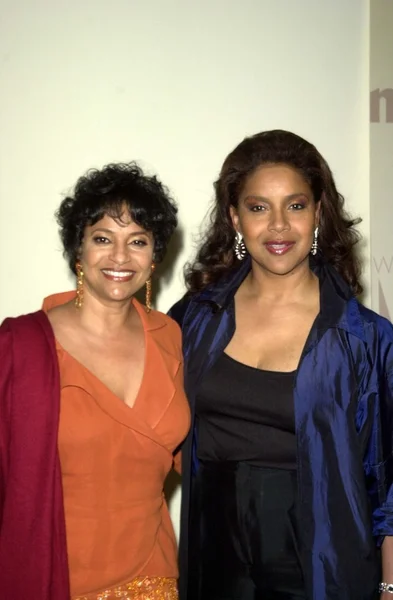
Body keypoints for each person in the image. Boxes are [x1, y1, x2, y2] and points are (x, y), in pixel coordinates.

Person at [170, 130, 393, 600]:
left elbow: (389, 480)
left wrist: (390, 586)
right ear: (234, 217)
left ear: (317, 214)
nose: (277, 226)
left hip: (320, 562)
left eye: (295, 206)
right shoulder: (194, 318)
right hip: (214, 558)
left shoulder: (366, 337)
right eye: (257, 207)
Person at [0, 162, 190, 600]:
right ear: (78, 250)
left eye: (137, 241)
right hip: (54, 577)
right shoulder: (23, 346)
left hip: (154, 577)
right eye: (103, 238)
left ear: (155, 256)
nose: (120, 257)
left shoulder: (171, 337)